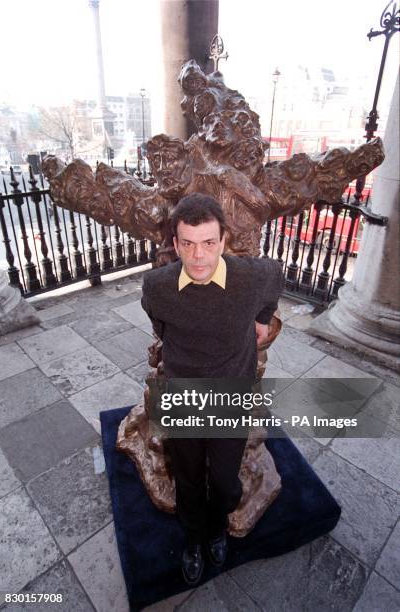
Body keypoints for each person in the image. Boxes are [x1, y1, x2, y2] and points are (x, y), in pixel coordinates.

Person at [141, 193, 284, 585]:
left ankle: (217, 528)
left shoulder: (252, 276)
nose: (198, 256)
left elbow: (277, 276)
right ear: (175, 243)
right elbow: (159, 324)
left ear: (223, 241)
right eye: (187, 243)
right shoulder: (157, 285)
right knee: (186, 476)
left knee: (223, 479)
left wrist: (262, 317)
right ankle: (192, 538)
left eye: (208, 243)